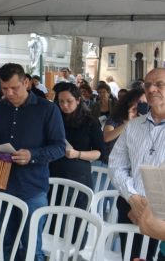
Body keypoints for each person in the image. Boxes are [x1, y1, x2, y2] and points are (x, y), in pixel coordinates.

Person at [0, 63, 65, 261]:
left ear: (26, 82)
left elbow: (59, 147)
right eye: (4, 88)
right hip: (0, 186)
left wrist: (32, 155)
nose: (9, 93)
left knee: (32, 248)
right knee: (5, 243)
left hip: (33, 187)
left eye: (14, 88)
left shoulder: (47, 109)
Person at [109, 68, 165, 261]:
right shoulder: (133, 126)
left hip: (162, 215)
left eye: (159, 84)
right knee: (131, 257)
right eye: (148, 85)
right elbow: (116, 165)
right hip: (130, 207)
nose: (152, 89)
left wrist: (149, 210)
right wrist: (132, 198)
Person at [50, 83, 103, 239]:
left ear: (78, 100)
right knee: (53, 218)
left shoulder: (90, 122)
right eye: (61, 102)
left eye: (69, 101)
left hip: (78, 176)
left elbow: (98, 153)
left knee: (75, 221)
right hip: (54, 173)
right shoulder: (55, 119)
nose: (65, 105)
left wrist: (77, 154)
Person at [103, 88, 146, 164]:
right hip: (114, 161)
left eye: (144, 103)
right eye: (139, 102)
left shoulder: (146, 120)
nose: (141, 106)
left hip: (134, 163)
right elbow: (107, 137)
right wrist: (128, 123)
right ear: (131, 101)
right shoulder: (116, 118)